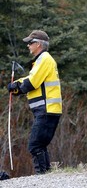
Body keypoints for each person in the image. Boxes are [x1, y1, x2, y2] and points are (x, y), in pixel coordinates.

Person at [7, 30, 62, 174]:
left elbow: (32, 83)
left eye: (30, 43)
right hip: (47, 109)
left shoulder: (44, 59)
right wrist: (16, 87)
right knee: (40, 145)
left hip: (46, 109)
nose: (28, 46)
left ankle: (42, 177)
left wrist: (17, 87)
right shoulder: (42, 60)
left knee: (35, 145)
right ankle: (47, 176)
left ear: (38, 44)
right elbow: (33, 79)